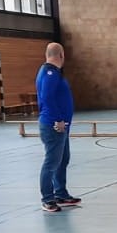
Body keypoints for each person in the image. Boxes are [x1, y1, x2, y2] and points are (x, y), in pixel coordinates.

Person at [37, 42, 79, 212]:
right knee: (51, 162)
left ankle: (60, 193)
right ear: (61, 55)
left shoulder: (54, 73)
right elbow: (47, 97)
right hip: (54, 125)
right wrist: (58, 120)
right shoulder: (49, 73)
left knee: (63, 159)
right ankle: (47, 199)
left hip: (62, 127)